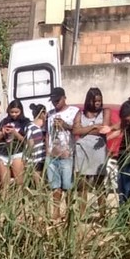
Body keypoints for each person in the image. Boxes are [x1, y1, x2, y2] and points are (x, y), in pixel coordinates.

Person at [44, 86, 79, 219]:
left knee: (68, 186)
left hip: (67, 154)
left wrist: (66, 126)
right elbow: (47, 133)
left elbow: (77, 129)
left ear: (64, 98)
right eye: (53, 101)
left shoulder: (73, 111)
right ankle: (56, 211)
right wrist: (47, 150)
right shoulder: (50, 113)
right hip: (53, 154)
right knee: (55, 186)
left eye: (57, 100)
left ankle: (70, 212)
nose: (55, 103)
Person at [73, 87, 109, 189]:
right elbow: (75, 131)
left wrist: (84, 130)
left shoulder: (105, 112)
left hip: (98, 150)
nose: (97, 103)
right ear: (89, 100)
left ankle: (102, 205)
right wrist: (93, 126)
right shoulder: (80, 114)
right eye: (95, 101)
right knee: (82, 184)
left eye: (99, 101)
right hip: (83, 150)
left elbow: (103, 129)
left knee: (99, 183)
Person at [0, 99, 29, 188]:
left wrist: (15, 133)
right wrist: (3, 132)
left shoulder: (25, 122)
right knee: (4, 184)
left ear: (21, 111)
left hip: (18, 153)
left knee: (19, 183)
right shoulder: (4, 121)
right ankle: (5, 200)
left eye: (16, 112)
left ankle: (20, 201)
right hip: (4, 153)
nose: (14, 114)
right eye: (11, 112)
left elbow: (26, 141)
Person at [27, 104, 47, 177]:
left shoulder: (45, 126)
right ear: (43, 113)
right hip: (37, 159)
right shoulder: (31, 127)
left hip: (43, 157)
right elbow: (30, 145)